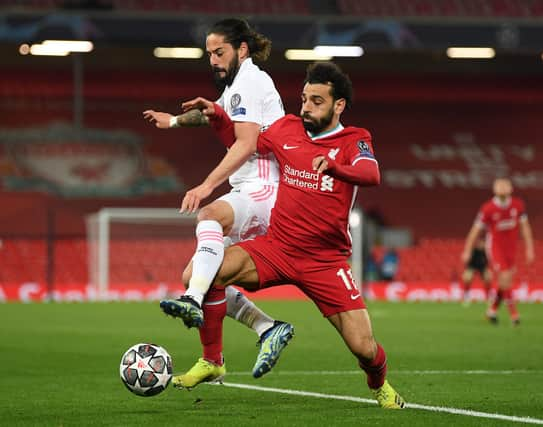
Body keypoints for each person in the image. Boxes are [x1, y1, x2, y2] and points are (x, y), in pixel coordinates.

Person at [161, 62, 406, 409]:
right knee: (200, 276)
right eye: (304, 99)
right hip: (276, 247)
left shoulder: (355, 139)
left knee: (364, 347)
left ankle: (379, 385)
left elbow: (370, 174)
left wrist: (336, 167)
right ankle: (213, 359)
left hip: (325, 261)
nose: (306, 107)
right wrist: (216, 114)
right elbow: (242, 139)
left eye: (317, 101)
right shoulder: (286, 129)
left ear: (338, 106)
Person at [143, 19, 294, 388]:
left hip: (266, 185)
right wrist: (175, 121)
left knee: (208, 215)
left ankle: (193, 300)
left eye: (219, 52)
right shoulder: (237, 86)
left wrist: (206, 185)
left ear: (242, 49)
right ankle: (260, 331)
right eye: (208, 53)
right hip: (248, 187)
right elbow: (213, 112)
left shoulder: (251, 81)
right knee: (196, 273)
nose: (212, 60)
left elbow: (245, 143)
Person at [461, 177, 534, 325]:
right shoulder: (487, 208)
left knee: (505, 281)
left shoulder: (518, 205)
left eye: (505, 185)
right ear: (494, 189)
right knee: (505, 277)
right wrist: (467, 249)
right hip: (495, 248)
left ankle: (492, 311)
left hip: (512, 248)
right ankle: (514, 315)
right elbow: (475, 230)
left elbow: (525, 228)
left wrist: (529, 248)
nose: (502, 188)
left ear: (511, 188)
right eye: (499, 185)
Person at [460, 235, 492, 304]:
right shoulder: (473, 250)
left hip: (482, 267)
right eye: (479, 242)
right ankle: (466, 295)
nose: (481, 244)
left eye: (482, 242)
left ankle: (488, 296)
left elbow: (488, 261)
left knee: (488, 277)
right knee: (467, 277)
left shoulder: (486, 252)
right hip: (472, 266)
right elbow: (467, 260)